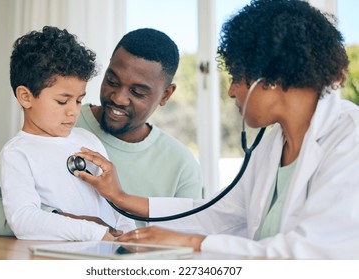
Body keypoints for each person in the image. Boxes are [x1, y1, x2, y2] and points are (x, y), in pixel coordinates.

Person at [74, 0, 359, 259]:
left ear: (271, 78)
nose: (232, 91)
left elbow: (312, 254)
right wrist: (121, 198)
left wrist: (193, 243)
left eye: (237, 77)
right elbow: (222, 213)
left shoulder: (350, 141)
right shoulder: (273, 143)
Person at [0, 28, 203, 235]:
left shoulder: (182, 165)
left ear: (165, 95)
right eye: (112, 81)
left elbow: (188, 240)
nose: (119, 98)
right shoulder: (50, 129)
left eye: (138, 92)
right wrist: (67, 221)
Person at [0, 26, 135, 241]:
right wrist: (96, 233)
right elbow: (23, 219)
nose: (73, 111)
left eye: (79, 100)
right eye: (62, 101)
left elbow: (115, 204)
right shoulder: (17, 153)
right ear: (26, 97)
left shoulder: (88, 141)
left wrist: (129, 236)